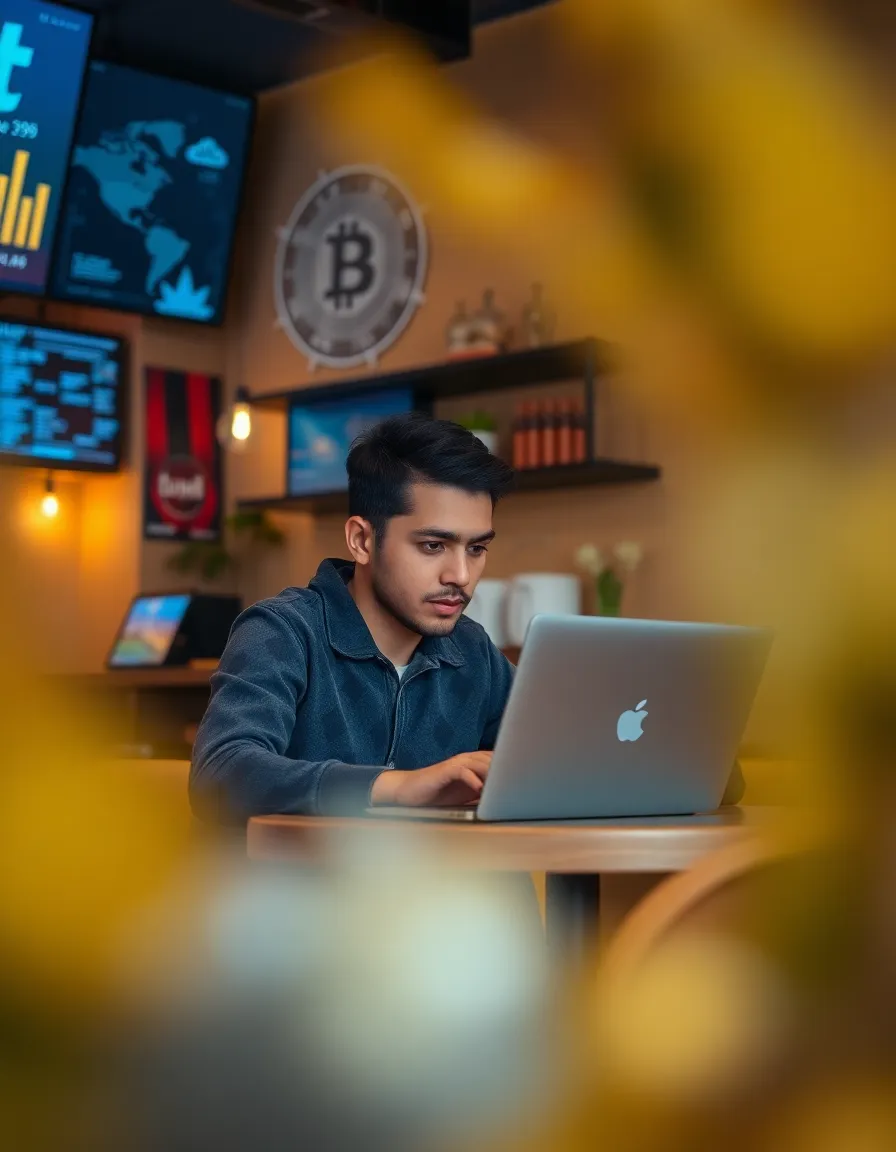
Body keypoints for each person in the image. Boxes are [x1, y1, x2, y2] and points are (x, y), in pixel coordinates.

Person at [189, 412, 516, 825]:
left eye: (476, 549)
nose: (461, 576)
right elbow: (221, 774)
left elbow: (548, 759)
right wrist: (396, 787)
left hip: (430, 888)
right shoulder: (283, 631)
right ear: (362, 540)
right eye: (433, 545)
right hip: (294, 887)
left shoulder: (472, 651)